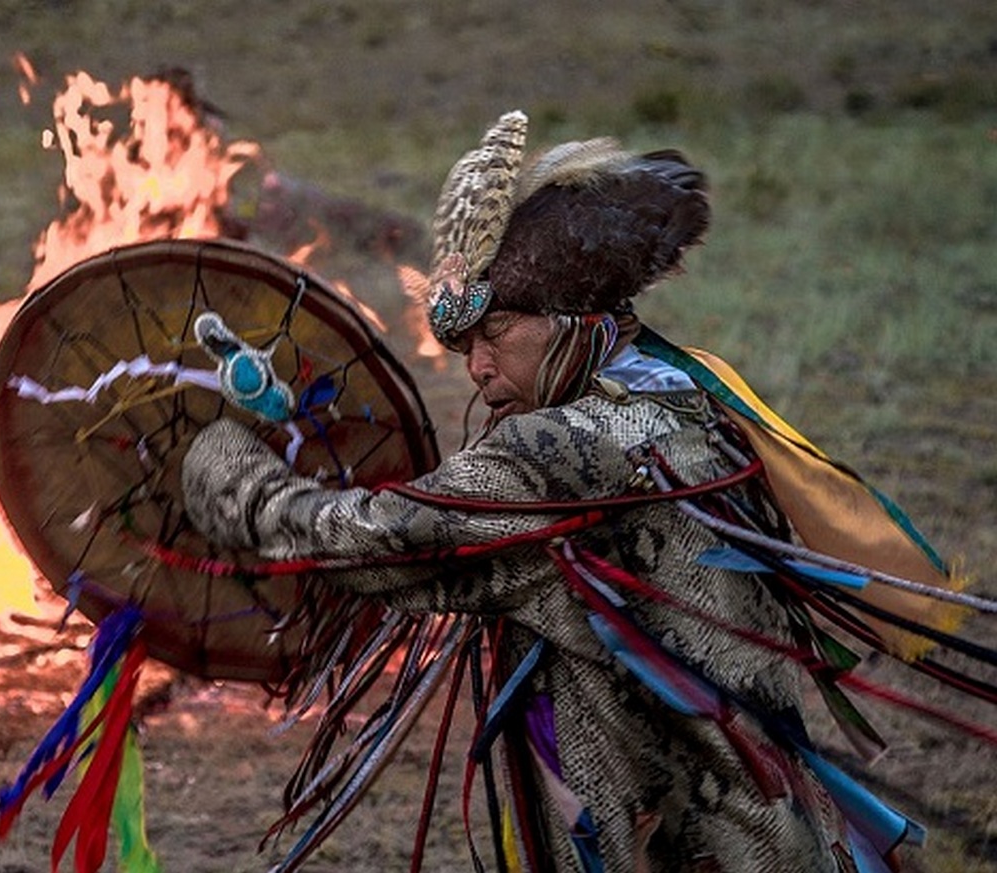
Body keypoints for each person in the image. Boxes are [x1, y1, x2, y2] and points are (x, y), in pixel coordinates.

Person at [181, 111, 937, 872]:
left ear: (573, 318)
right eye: (465, 344)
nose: (475, 367)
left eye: (496, 331)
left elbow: (383, 539)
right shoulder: (681, 397)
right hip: (758, 827)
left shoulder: (557, 450)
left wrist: (228, 477)